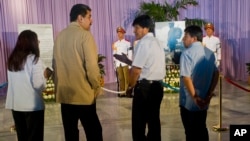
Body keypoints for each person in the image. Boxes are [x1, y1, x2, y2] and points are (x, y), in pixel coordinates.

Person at [52, 4, 102, 141]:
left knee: (70, 133)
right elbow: (92, 67)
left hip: (65, 96)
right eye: (89, 17)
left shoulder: (59, 36)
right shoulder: (85, 36)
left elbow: (54, 65)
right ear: (80, 18)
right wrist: (96, 86)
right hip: (83, 95)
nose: (91, 21)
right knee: (94, 132)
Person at [128, 15, 166, 141]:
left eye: (137, 28)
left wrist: (130, 87)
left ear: (146, 28)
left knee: (139, 123)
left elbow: (136, 70)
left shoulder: (143, 43)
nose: (134, 31)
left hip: (144, 88)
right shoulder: (158, 42)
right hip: (157, 87)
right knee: (154, 121)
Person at [5, 30, 47, 141]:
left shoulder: (12, 60)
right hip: (32, 107)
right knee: (35, 138)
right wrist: (46, 77)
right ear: (32, 42)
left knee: (22, 137)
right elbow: (38, 85)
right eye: (37, 40)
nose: (38, 42)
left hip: (17, 106)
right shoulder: (34, 59)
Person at [179, 25, 219, 141]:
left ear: (194, 38)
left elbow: (186, 78)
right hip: (204, 100)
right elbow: (216, 74)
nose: (183, 39)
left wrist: (195, 97)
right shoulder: (210, 53)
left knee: (190, 132)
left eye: (185, 36)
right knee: (202, 129)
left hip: (189, 102)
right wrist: (210, 93)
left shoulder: (186, 53)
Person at [112, 26, 132, 97]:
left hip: (125, 63)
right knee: (120, 78)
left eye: (120, 33)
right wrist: (114, 64)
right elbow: (114, 54)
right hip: (118, 63)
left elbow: (130, 53)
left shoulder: (127, 43)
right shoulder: (115, 43)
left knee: (127, 78)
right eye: (118, 33)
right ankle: (122, 92)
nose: (119, 34)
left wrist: (130, 64)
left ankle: (127, 92)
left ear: (123, 34)